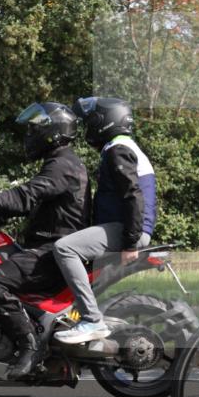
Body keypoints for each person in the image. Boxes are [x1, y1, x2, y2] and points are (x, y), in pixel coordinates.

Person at [0, 102, 90, 379]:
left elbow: (24, 197)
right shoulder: (59, 162)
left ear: (53, 132)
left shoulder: (62, 166)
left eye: (35, 129)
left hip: (53, 253)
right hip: (48, 248)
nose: (29, 135)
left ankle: (29, 345)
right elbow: (28, 203)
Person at [54, 97, 156, 344]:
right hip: (124, 228)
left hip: (127, 230)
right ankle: (81, 316)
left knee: (64, 248)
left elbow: (133, 195)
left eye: (91, 121)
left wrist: (130, 242)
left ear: (104, 122)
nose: (88, 127)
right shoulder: (123, 147)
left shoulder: (118, 150)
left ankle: (91, 320)